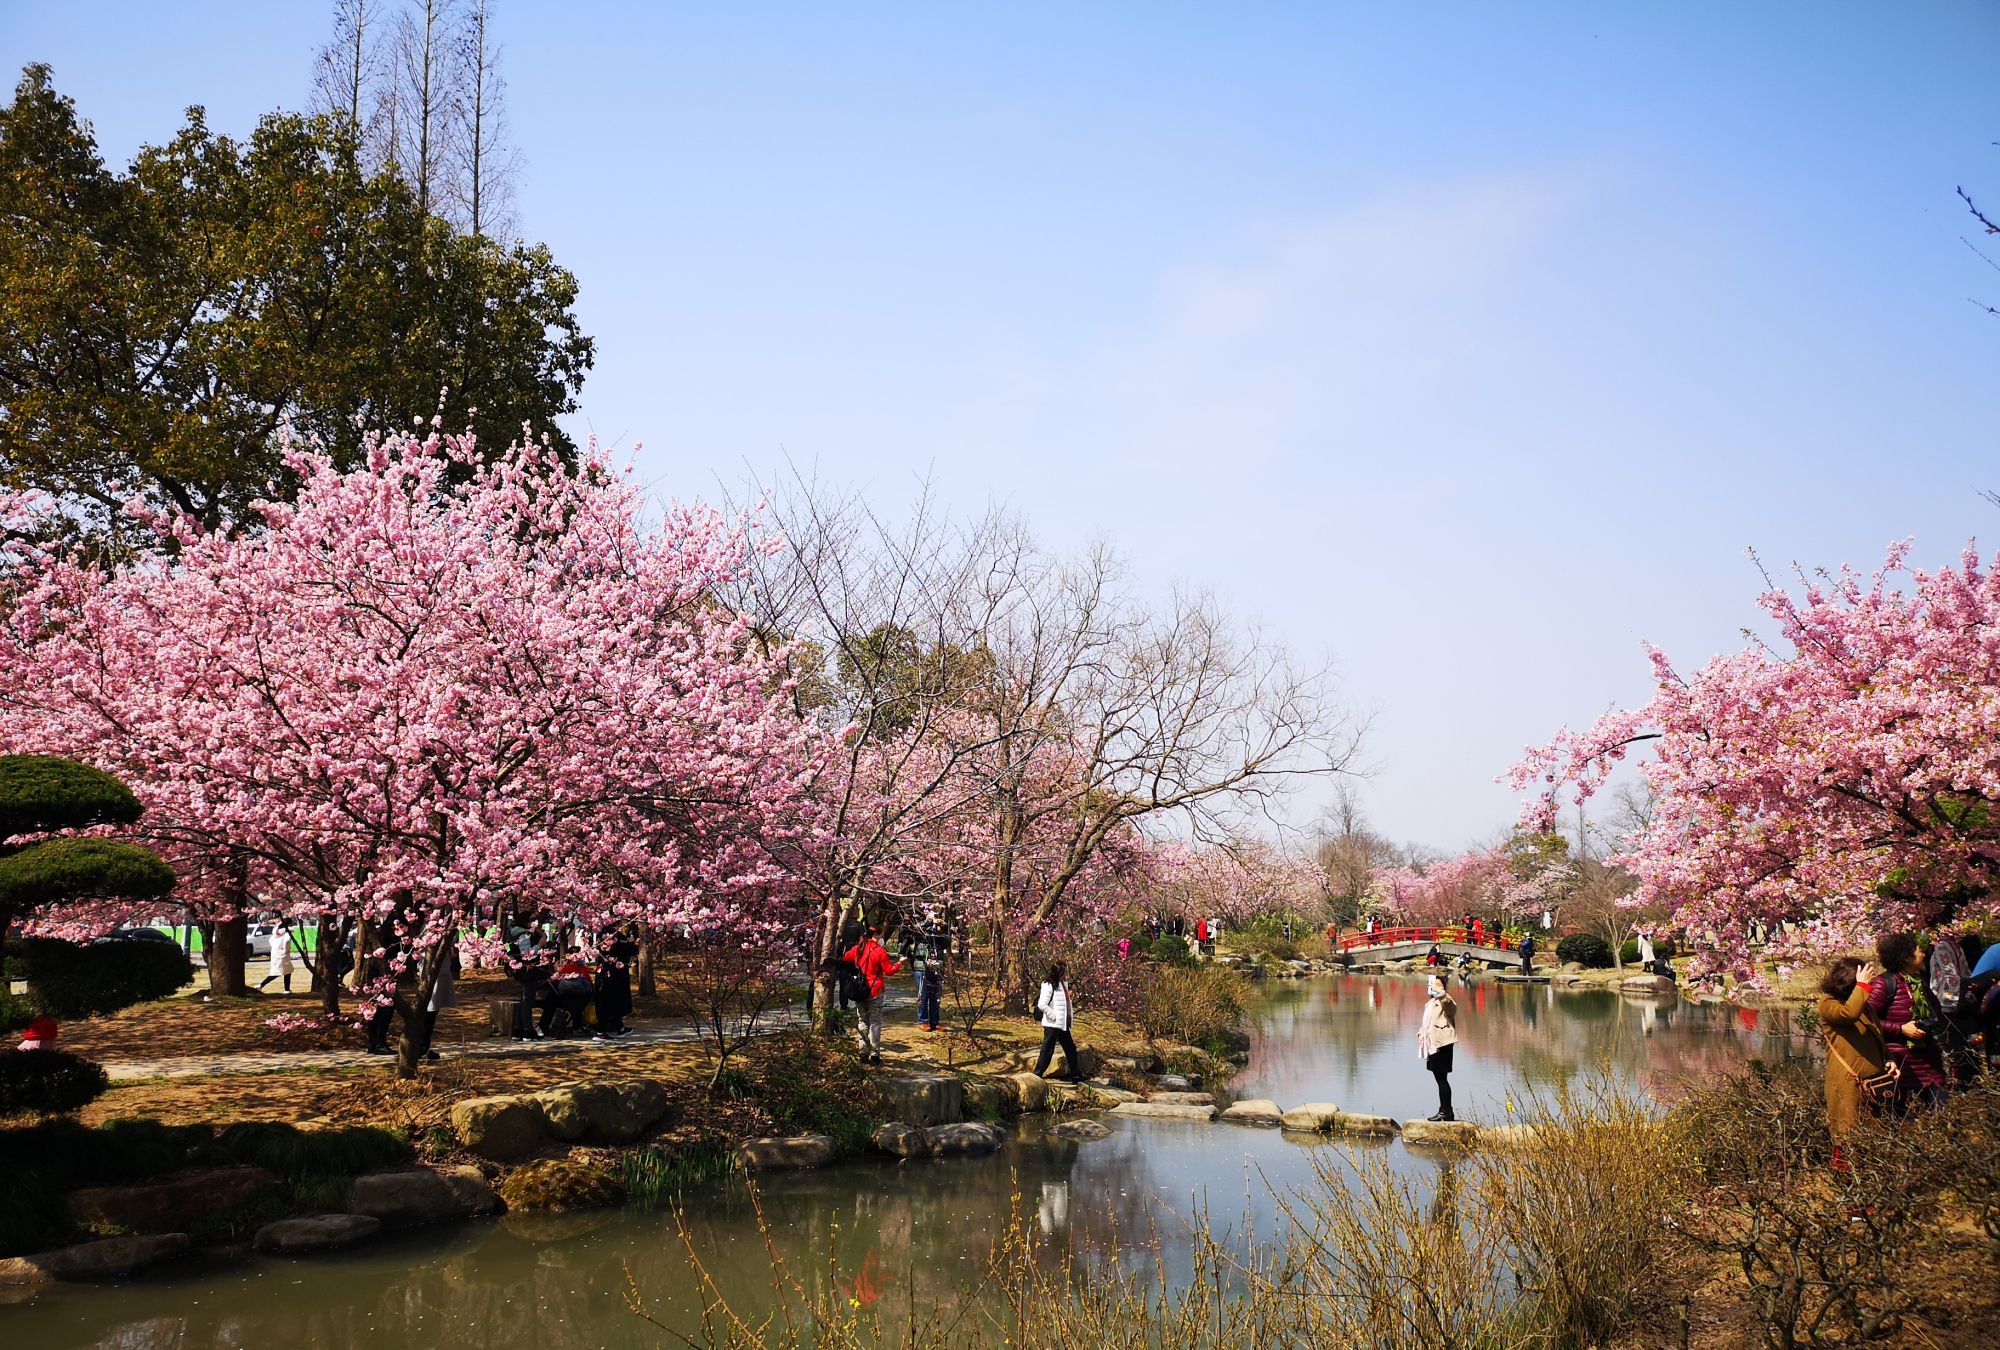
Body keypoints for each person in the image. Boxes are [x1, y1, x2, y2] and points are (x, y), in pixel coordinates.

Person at [1817, 956, 1895, 1171]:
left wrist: (1889, 1060)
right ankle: (1850, 1195)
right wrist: (1862, 986)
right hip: (1848, 1084)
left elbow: (1877, 1036)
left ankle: (1871, 1191)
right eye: (1862, 980)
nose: (1870, 985)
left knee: (1873, 1139)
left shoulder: (1864, 1005)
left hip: (1873, 1083)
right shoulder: (1827, 1004)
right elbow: (1848, 1014)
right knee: (1847, 1135)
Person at [1866, 932, 1949, 1111]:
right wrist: (1900, 1029)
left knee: (1939, 1111)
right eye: (1919, 950)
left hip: (1929, 1061)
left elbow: (1937, 1015)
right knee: (1900, 1116)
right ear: (1906, 956)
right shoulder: (1884, 983)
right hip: (1900, 1063)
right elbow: (1866, 1019)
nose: (1924, 954)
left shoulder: (1920, 983)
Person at [843, 924, 902, 1063]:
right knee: (875, 1022)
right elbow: (889, 970)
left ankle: (863, 1051)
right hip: (874, 990)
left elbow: (846, 957)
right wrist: (899, 963)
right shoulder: (879, 952)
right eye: (881, 935)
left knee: (862, 1021)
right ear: (876, 936)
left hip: (860, 990)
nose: (882, 938)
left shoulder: (859, 948)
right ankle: (875, 1054)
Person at [1418, 974, 1458, 1121]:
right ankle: (1445, 1110)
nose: (1434, 987)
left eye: (1438, 984)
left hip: (1442, 1044)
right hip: (1432, 1044)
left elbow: (1450, 1007)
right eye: (1433, 984)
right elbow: (1426, 1023)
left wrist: (1441, 993)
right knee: (1439, 1078)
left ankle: (1446, 1111)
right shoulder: (1431, 1003)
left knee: (1442, 1078)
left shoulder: (1446, 1000)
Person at [1033, 960, 1080, 1079]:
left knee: (1071, 1049)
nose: (1065, 974)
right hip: (1052, 1024)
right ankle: (1037, 1074)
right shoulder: (1048, 985)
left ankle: (1076, 1075)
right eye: (1063, 971)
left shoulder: (1063, 984)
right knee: (1047, 1050)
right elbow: (1042, 1004)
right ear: (1058, 972)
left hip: (1062, 1024)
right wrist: (1054, 1016)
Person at [595, 928, 638, 1038]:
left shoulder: (604, 935)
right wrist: (633, 944)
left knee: (612, 1001)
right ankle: (601, 1031)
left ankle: (619, 1027)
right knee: (608, 1001)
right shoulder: (615, 937)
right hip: (612, 974)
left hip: (608, 972)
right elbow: (627, 950)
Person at [259, 921, 298, 993]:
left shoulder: (275, 935)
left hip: (275, 954)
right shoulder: (286, 934)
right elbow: (287, 943)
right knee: (277, 972)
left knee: (287, 971)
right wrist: (286, 951)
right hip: (283, 955)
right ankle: (261, 985)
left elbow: (270, 941)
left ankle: (287, 989)